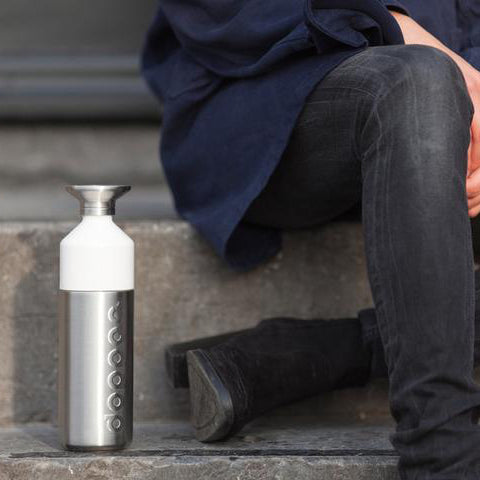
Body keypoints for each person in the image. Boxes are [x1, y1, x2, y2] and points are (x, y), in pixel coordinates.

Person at [142, 1, 480, 478]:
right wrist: (388, 22)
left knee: (431, 82)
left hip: (456, 118)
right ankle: (443, 459)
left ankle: (320, 353)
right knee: (420, 81)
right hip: (270, 106)